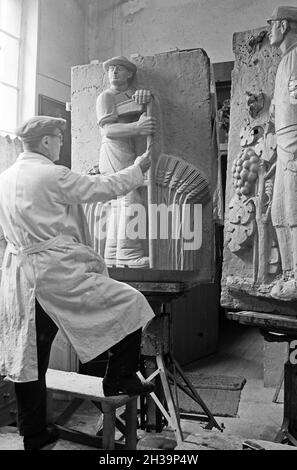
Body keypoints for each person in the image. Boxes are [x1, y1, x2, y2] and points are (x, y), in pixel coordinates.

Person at [0, 116, 155, 450]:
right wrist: (138, 168)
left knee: (32, 360)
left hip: (19, 275)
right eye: (57, 137)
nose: (60, 142)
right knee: (132, 302)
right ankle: (118, 377)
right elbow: (103, 189)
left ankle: (33, 434)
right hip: (54, 273)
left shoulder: (6, 177)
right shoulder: (52, 174)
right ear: (44, 141)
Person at [96, 56, 156, 268]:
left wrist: (147, 98)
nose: (113, 72)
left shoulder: (128, 95)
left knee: (120, 202)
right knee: (131, 198)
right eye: (111, 69)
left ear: (129, 74)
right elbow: (108, 130)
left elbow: (142, 105)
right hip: (113, 150)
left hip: (126, 150)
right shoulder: (106, 97)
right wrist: (137, 128)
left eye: (119, 69)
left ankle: (112, 254)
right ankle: (129, 254)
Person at [267, 6, 297, 300]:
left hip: (294, 144)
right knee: (279, 211)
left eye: (272, 24)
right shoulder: (284, 61)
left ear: (285, 25)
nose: (270, 29)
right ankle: (288, 273)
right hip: (284, 144)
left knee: (294, 209)